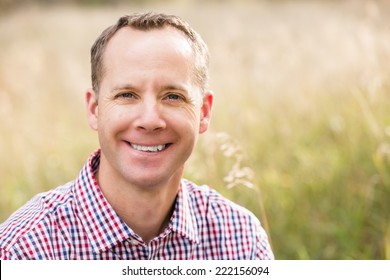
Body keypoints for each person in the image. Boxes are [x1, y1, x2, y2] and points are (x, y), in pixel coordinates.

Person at [0, 12, 274, 260]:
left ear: (203, 112)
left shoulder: (241, 240)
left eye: (173, 96)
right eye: (127, 95)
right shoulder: (22, 251)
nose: (150, 120)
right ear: (94, 109)